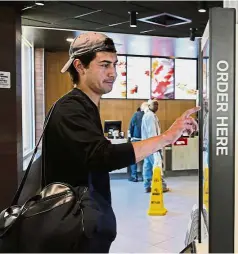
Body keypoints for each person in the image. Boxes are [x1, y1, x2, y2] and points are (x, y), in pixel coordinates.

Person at [42, 32, 199, 252]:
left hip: (85, 223)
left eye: (115, 65)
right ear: (79, 66)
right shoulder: (70, 109)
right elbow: (103, 156)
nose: (113, 73)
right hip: (74, 231)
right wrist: (167, 137)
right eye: (104, 65)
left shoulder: (86, 107)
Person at [141, 99, 169, 193]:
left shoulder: (149, 115)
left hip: (147, 145)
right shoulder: (150, 116)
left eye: (157, 105)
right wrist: (156, 145)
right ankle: (162, 185)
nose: (156, 106)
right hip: (152, 145)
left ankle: (147, 185)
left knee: (148, 165)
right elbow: (152, 132)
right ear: (149, 106)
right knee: (157, 165)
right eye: (154, 104)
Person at [127, 107, 144, 182]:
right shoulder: (147, 115)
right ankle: (145, 176)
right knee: (144, 160)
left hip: (135, 139)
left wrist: (129, 138)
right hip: (145, 140)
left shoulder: (135, 115)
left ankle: (134, 176)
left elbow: (131, 127)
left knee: (133, 158)